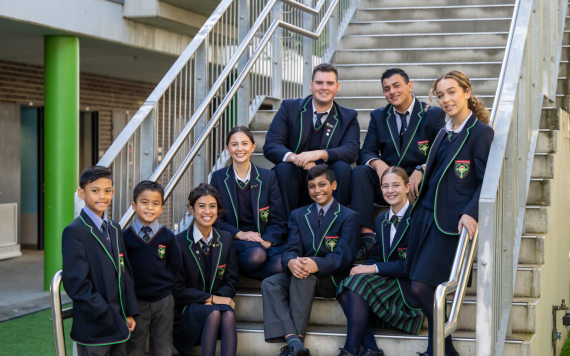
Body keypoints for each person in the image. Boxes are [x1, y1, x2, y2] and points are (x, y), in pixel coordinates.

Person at [405, 70, 494, 356]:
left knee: (422, 288)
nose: (446, 99)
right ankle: (443, 349)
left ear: (467, 92)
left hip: (449, 223)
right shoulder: (444, 131)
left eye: (452, 92)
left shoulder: (480, 133)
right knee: (418, 287)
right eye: (440, 95)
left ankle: (442, 347)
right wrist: (419, 169)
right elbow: (439, 168)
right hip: (424, 218)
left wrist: (471, 212)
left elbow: (485, 181)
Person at [261, 165, 360, 356]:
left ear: (334, 185)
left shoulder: (349, 216)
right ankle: (294, 342)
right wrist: (290, 262)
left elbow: (345, 257)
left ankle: (296, 340)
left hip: (330, 278)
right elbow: (291, 249)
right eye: (312, 186)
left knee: (303, 275)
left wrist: (317, 265)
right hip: (303, 271)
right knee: (270, 283)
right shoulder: (298, 214)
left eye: (322, 185)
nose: (317, 190)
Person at [351, 68, 445, 263]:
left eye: (396, 86)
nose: (392, 92)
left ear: (409, 86)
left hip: (417, 185)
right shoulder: (378, 116)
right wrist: (378, 164)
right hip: (387, 182)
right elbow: (366, 151)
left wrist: (422, 169)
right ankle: (367, 238)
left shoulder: (433, 114)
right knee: (360, 172)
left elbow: (442, 151)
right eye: (386, 89)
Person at [335, 167, 424, 356]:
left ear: (408, 187)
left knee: (355, 283)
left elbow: (411, 266)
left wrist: (372, 268)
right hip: (386, 281)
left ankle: (351, 350)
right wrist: (363, 267)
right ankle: (371, 348)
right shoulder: (382, 219)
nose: (390, 190)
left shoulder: (419, 219)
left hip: (407, 287)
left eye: (395, 185)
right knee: (345, 286)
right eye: (385, 186)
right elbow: (377, 255)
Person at [263, 63, 360, 214]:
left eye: (330, 83)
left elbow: (352, 150)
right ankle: (289, 228)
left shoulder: (348, 116)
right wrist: (297, 158)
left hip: (327, 176)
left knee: (343, 168)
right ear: (311, 85)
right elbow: (271, 145)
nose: (324, 87)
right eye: (319, 82)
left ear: (337, 86)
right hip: (295, 174)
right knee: (283, 168)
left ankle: (335, 224)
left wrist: (320, 153)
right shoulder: (289, 108)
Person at [62, 166, 139, 356]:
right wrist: (106, 313)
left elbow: (124, 271)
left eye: (107, 191)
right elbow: (76, 284)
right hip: (95, 325)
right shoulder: (75, 231)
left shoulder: (114, 227)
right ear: (81, 193)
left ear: (112, 192)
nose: (102, 196)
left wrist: (128, 311)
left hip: (119, 321)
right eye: (95, 191)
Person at [211, 126, 288, 280]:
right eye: (234, 144)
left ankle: (231, 271)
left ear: (253, 147)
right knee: (256, 256)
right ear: (227, 148)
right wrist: (241, 234)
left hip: (262, 240)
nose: (240, 149)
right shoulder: (218, 178)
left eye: (245, 143)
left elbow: (279, 218)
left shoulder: (268, 177)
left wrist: (266, 241)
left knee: (281, 264)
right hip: (234, 240)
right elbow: (215, 219)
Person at [172, 184, 239, 356]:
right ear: (192, 210)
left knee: (228, 313)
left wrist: (216, 301)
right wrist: (212, 299)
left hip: (215, 309)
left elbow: (231, 281)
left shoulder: (226, 239)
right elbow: (177, 290)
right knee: (216, 312)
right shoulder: (178, 243)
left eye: (212, 206)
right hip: (188, 311)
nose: (207, 211)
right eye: (201, 206)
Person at [122, 181, 183, 356]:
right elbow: (123, 270)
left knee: (163, 345)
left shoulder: (168, 236)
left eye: (155, 203)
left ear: (162, 208)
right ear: (134, 206)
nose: (150, 208)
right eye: (144, 202)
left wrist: (165, 286)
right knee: (135, 345)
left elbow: (176, 265)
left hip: (163, 300)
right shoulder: (125, 237)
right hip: (136, 302)